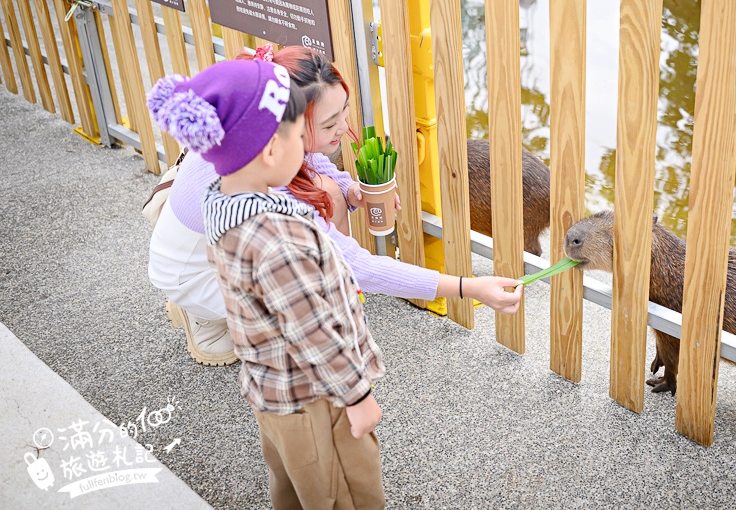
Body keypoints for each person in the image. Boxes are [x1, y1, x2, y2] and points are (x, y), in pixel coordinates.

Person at [147, 44, 523, 365]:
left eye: (344, 111)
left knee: (327, 195)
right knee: (317, 306)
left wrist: (350, 190)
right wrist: (467, 288)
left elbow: (315, 167)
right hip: (191, 271)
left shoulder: (249, 130)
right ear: (283, 131)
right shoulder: (267, 201)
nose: (343, 127)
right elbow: (354, 266)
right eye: (329, 124)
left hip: (206, 243)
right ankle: (205, 315)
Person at [149, 57, 386, 508]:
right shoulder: (274, 235)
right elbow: (310, 327)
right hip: (308, 390)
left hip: (269, 387)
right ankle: (200, 314)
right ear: (276, 146)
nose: (317, 144)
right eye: (309, 132)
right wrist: (358, 396)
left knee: (291, 479)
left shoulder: (232, 175)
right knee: (334, 486)